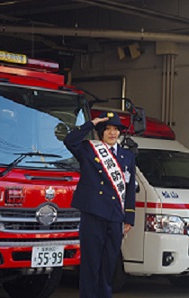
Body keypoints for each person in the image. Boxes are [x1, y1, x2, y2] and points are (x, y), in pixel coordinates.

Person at [64, 111, 136, 298]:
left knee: (108, 264)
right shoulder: (89, 149)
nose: (112, 133)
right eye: (108, 129)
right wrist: (91, 123)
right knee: (91, 264)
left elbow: (129, 188)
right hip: (93, 214)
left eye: (116, 129)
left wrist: (129, 217)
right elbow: (70, 140)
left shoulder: (127, 156)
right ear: (100, 132)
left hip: (115, 217)